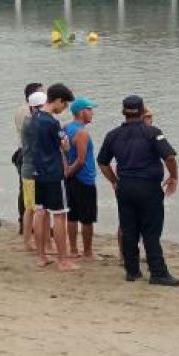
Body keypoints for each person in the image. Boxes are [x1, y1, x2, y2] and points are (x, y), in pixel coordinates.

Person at [96, 95, 179, 286]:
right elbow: (169, 157)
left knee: (129, 229)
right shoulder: (152, 132)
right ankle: (158, 272)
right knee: (151, 230)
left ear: (123, 112)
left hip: (125, 187)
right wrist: (174, 176)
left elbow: (102, 162)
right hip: (148, 187)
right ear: (143, 111)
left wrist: (115, 181)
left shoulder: (113, 135)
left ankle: (132, 271)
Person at [31, 83, 77, 271]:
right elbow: (64, 145)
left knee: (40, 212)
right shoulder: (51, 122)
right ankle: (63, 260)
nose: (64, 109)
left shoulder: (34, 118)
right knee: (59, 215)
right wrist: (65, 146)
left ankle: (41, 256)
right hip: (53, 172)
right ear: (58, 100)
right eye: (64, 105)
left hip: (37, 171)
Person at [64, 97, 100, 260]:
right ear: (81, 112)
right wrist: (69, 172)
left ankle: (72, 249)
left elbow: (62, 150)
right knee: (87, 218)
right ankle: (87, 252)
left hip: (71, 179)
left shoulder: (65, 127)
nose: (92, 113)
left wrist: (66, 172)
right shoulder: (82, 132)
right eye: (89, 109)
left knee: (72, 215)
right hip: (83, 178)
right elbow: (81, 160)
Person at [13, 82, 44, 242]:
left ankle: (24, 225)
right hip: (28, 154)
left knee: (24, 190)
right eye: (41, 93)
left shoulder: (20, 110)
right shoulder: (29, 113)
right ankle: (29, 226)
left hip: (22, 152)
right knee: (31, 193)